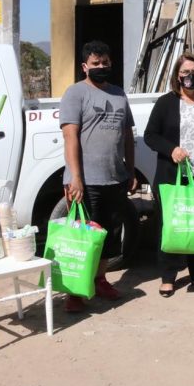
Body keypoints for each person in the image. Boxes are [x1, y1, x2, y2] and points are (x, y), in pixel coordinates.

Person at [60, 40, 137, 313]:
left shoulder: (118, 94)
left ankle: (100, 280)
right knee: (82, 239)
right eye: (95, 63)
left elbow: (127, 135)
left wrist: (130, 170)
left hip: (115, 178)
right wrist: (75, 178)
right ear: (85, 66)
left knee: (108, 236)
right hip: (85, 181)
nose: (101, 67)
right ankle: (75, 291)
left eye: (105, 62)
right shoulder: (75, 93)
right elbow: (70, 136)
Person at [143, 52, 194, 297]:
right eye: (185, 72)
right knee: (172, 224)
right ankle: (168, 277)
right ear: (177, 76)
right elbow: (150, 136)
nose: (190, 76)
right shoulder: (166, 103)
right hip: (172, 176)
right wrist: (171, 150)